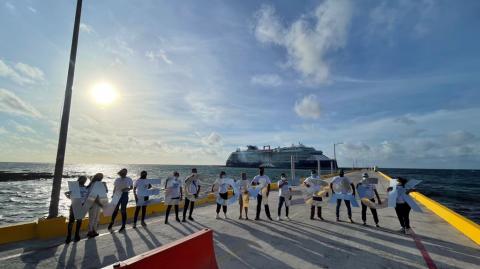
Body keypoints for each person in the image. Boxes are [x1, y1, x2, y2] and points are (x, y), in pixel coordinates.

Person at [65, 176, 88, 243]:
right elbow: (69, 195)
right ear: (79, 180)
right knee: (71, 221)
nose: (84, 180)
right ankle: (69, 236)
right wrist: (67, 195)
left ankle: (76, 235)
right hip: (75, 205)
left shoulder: (86, 188)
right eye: (83, 179)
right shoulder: (74, 187)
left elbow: (86, 197)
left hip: (82, 206)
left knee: (79, 221)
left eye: (85, 179)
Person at [86, 173, 105, 238]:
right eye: (101, 177)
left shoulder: (97, 184)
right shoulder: (94, 184)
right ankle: (90, 231)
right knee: (92, 218)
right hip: (93, 203)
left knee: (96, 218)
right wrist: (100, 203)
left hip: (97, 203)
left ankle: (94, 231)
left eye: (102, 177)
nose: (101, 178)